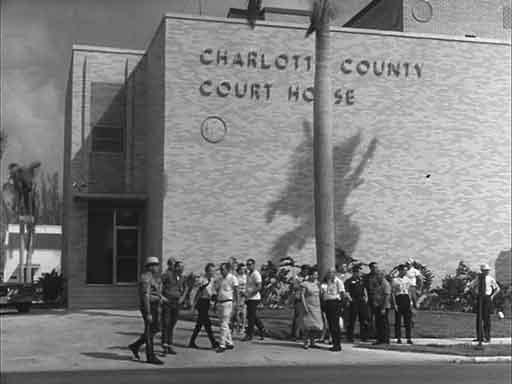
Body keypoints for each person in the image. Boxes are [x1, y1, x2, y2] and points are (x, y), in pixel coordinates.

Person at [128, 257, 166, 365]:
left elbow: (155, 292)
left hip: (155, 306)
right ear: (150, 267)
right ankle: (150, 356)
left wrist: (161, 297)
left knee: (156, 328)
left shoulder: (153, 277)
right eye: (156, 265)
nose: (158, 267)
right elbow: (145, 296)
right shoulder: (145, 278)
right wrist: (148, 313)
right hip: (148, 306)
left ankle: (135, 346)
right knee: (149, 331)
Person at [188, 263, 219, 349]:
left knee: (200, 324)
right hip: (201, 302)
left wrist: (213, 302)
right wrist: (192, 304)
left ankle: (192, 341)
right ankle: (213, 342)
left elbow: (212, 291)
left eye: (213, 271)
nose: (213, 272)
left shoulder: (212, 279)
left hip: (207, 302)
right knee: (207, 323)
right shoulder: (201, 280)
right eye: (211, 271)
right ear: (207, 271)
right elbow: (195, 292)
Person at [469, 263, 500, 342]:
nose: (486, 272)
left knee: (486, 318)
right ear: (482, 271)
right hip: (480, 298)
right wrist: (475, 294)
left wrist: (492, 296)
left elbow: (497, 288)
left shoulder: (490, 279)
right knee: (479, 318)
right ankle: (479, 337)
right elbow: (471, 286)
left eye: (487, 270)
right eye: (484, 270)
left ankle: (487, 337)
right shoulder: (478, 278)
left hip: (487, 298)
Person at [161, 260, 186, 355]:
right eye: (180, 267)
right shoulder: (167, 275)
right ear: (175, 267)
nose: (182, 269)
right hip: (167, 301)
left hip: (177, 302)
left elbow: (186, 288)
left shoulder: (182, 278)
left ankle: (170, 345)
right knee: (166, 323)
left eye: (183, 267)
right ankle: (164, 346)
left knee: (172, 323)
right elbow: (159, 284)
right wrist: (161, 296)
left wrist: (182, 298)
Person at [215, 262, 239, 353]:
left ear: (228, 270)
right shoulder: (220, 279)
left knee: (224, 324)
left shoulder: (233, 278)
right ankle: (229, 342)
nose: (221, 271)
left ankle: (222, 344)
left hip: (228, 302)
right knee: (223, 323)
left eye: (223, 269)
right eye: (220, 269)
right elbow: (218, 290)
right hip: (220, 302)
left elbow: (236, 291)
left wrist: (236, 303)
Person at [320, 267, 345, 351]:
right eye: (329, 272)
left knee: (335, 325)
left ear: (335, 273)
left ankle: (337, 345)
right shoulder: (326, 282)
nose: (330, 274)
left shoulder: (338, 282)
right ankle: (334, 343)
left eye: (331, 272)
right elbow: (323, 293)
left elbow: (342, 293)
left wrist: (341, 305)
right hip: (327, 303)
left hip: (335, 303)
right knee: (330, 324)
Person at [243, 259, 267, 341]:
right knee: (252, 315)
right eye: (247, 264)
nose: (248, 266)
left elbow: (259, 287)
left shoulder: (256, 274)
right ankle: (262, 328)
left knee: (251, 317)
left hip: (254, 298)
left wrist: (250, 294)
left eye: (250, 264)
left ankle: (249, 334)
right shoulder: (249, 274)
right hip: (248, 297)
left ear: (254, 265)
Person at [344, 264, 369, 342]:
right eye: (358, 272)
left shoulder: (362, 280)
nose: (360, 274)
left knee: (363, 319)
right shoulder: (349, 281)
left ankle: (364, 337)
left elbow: (364, 289)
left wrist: (366, 297)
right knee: (352, 320)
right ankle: (350, 337)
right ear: (354, 272)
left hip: (361, 301)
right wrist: (350, 299)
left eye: (360, 272)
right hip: (353, 301)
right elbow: (346, 292)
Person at [300, 267, 323, 349]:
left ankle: (313, 342)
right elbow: (302, 295)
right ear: (310, 275)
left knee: (315, 326)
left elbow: (320, 293)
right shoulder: (305, 284)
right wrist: (305, 306)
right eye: (314, 275)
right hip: (309, 306)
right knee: (308, 326)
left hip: (316, 307)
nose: (316, 276)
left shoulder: (317, 283)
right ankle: (306, 342)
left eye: (317, 275)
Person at [392, 264, 413, 344]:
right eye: (404, 270)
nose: (405, 271)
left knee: (407, 320)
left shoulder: (407, 279)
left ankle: (409, 337)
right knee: (398, 320)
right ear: (400, 270)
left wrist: (410, 302)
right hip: (399, 298)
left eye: (406, 270)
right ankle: (398, 338)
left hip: (406, 298)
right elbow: (393, 293)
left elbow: (409, 291)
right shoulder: (395, 280)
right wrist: (395, 304)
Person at [369, 270, 391, 345]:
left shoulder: (385, 284)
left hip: (383, 306)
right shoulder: (377, 283)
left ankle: (385, 339)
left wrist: (383, 308)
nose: (376, 277)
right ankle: (380, 339)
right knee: (378, 323)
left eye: (378, 275)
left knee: (384, 324)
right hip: (377, 305)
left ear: (382, 276)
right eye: (376, 275)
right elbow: (374, 293)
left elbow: (387, 296)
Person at [290, 264, 308, 340]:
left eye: (307, 271)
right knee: (297, 317)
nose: (306, 272)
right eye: (305, 270)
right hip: (298, 299)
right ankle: (294, 335)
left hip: (306, 299)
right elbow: (294, 287)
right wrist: (302, 283)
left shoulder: (307, 277)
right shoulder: (297, 277)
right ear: (302, 270)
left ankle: (302, 333)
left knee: (304, 318)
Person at [364, 262, 379, 339]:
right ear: (371, 268)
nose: (376, 269)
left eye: (377, 267)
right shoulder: (367, 277)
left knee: (378, 317)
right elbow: (364, 288)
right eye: (374, 267)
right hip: (369, 298)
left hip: (377, 299)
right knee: (368, 317)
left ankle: (377, 334)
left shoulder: (379, 277)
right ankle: (368, 334)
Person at [234, 263, 248, 334]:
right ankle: (237, 326)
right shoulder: (236, 277)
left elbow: (248, 286)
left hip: (244, 296)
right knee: (237, 312)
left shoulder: (246, 277)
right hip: (237, 296)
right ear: (238, 270)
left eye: (244, 269)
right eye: (241, 269)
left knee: (243, 312)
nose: (242, 271)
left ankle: (243, 327)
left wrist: (246, 293)